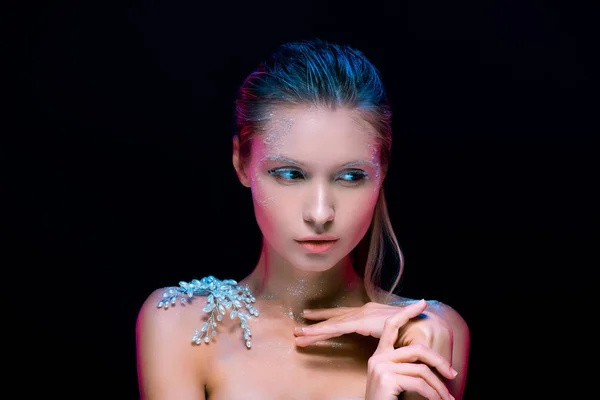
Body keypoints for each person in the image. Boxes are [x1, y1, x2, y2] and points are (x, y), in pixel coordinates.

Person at [136, 39, 470, 400]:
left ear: (382, 171)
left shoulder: (430, 332)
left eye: (350, 176)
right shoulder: (181, 324)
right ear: (241, 162)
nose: (320, 213)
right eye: (291, 174)